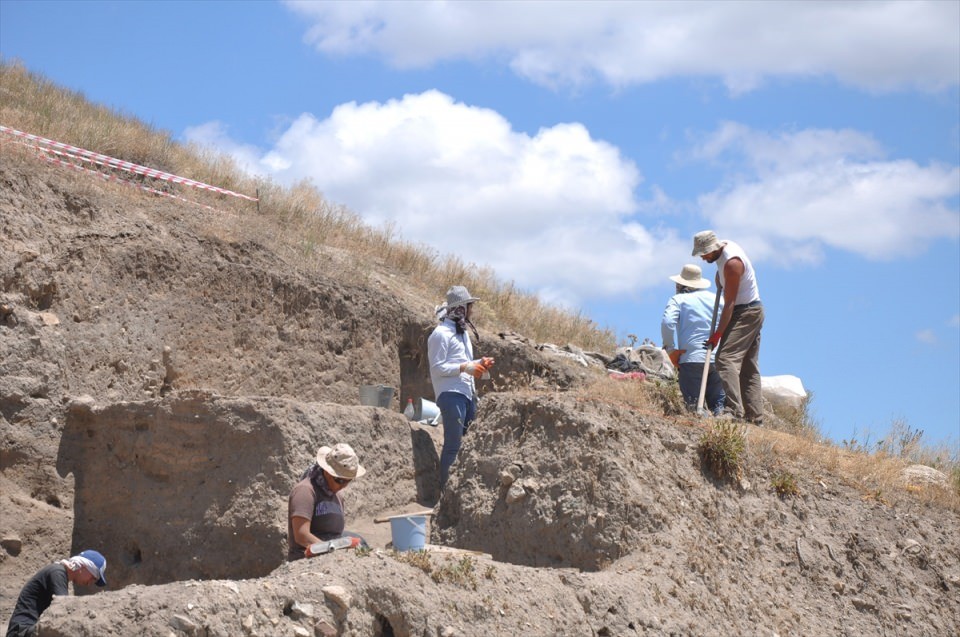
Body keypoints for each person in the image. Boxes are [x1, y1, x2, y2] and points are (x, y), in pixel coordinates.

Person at [692, 230, 764, 424]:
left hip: (745, 312)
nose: (703, 257)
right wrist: (721, 278)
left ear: (713, 248)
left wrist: (717, 335)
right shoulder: (723, 252)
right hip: (749, 309)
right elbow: (726, 277)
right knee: (748, 367)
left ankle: (733, 410)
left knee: (725, 359)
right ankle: (755, 417)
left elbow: (730, 303)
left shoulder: (732, 263)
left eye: (704, 253)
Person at [427, 285, 494, 489]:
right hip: (450, 394)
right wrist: (466, 367)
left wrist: (478, 363)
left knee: (468, 444)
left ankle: (460, 491)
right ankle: (446, 494)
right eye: (469, 306)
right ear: (461, 308)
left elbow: (461, 363)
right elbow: (437, 368)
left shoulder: (462, 334)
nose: (472, 310)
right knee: (453, 445)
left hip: (467, 394)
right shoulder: (440, 334)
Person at [660, 264, 726, 415]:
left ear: (680, 284)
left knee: (694, 407)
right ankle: (720, 434)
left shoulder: (679, 299)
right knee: (719, 407)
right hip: (719, 359)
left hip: (691, 359)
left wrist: (670, 350)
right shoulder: (718, 300)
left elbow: (668, 322)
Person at [287, 443, 367, 561]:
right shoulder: (305, 491)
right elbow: (301, 536)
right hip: (307, 559)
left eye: (347, 481)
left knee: (361, 542)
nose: (343, 486)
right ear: (327, 472)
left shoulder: (338, 496)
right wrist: (331, 551)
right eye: (340, 480)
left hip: (330, 553)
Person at [6, 550, 106, 637]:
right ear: (84, 567)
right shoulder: (57, 572)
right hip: (21, 632)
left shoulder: (58, 573)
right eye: (93, 577)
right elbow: (64, 610)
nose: (89, 583)